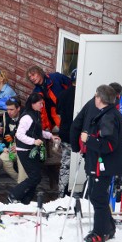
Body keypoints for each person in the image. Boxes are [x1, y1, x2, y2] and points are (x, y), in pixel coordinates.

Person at [71, 85, 122, 242]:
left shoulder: (109, 117)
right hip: (99, 163)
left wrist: (88, 139)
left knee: (97, 196)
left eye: (96, 96)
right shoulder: (107, 113)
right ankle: (108, 227)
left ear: (100, 98)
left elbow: (109, 144)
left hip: (104, 165)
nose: (94, 98)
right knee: (96, 195)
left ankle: (101, 232)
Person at [8, 93, 59, 205]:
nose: (42, 106)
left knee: (36, 177)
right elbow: (19, 134)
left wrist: (50, 136)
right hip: (24, 150)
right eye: (40, 103)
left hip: (33, 150)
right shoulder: (27, 117)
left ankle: (25, 200)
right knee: (35, 176)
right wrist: (33, 141)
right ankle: (14, 194)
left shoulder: (36, 114)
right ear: (33, 104)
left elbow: (36, 131)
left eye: (42, 103)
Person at [26, 65, 71, 132]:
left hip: (68, 108)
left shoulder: (56, 77)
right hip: (55, 116)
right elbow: (41, 112)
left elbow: (71, 85)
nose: (32, 78)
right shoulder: (36, 92)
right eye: (30, 77)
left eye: (33, 75)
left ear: (40, 72)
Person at [56, 69, 77, 198]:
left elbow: (58, 112)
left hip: (65, 133)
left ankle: (62, 192)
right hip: (78, 136)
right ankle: (74, 191)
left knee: (65, 164)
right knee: (78, 164)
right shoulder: (83, 96)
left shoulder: (63, 94)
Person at [0, 97, 27, 183]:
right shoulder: (6, 115)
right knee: (2, 159)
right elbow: (6, 133)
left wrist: (18, 146)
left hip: (24, 148)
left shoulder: (26, 117)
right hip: (11, 147)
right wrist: (1, 129)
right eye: (7, 109)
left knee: (21, 160)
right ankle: (20, 181)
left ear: (18, 108)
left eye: (12, 109)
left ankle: (22, 184)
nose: (9, 112)